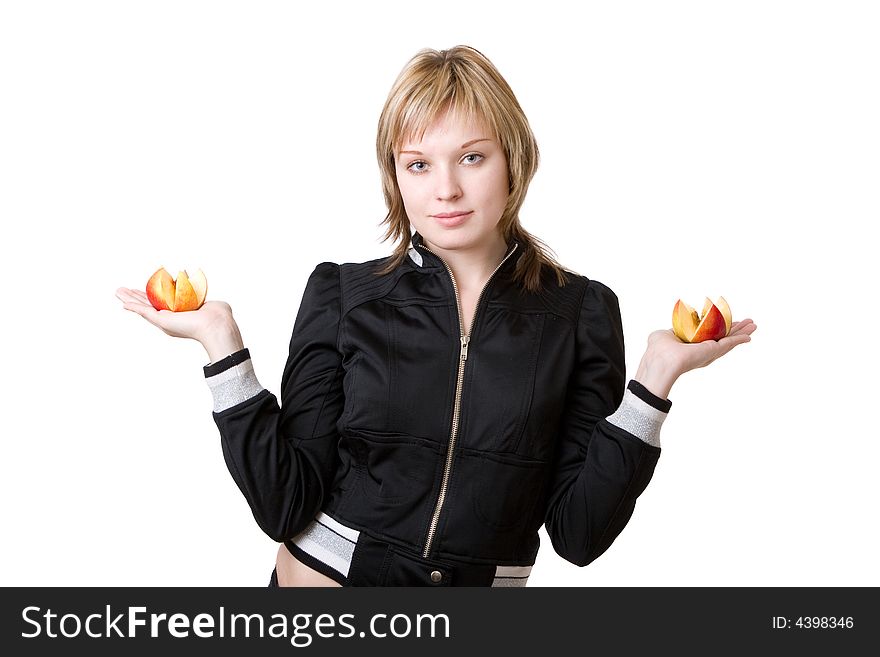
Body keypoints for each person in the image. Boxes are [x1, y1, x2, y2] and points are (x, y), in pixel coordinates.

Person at [116, 45, 757, 587]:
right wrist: (221, 348)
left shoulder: (581, 313)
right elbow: (286, 504)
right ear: (396, 178)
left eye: (472, 158)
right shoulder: (342, 295)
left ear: (514, 161)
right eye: (417, 164)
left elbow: (579, 535)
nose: (444, 189)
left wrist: (654, 382)